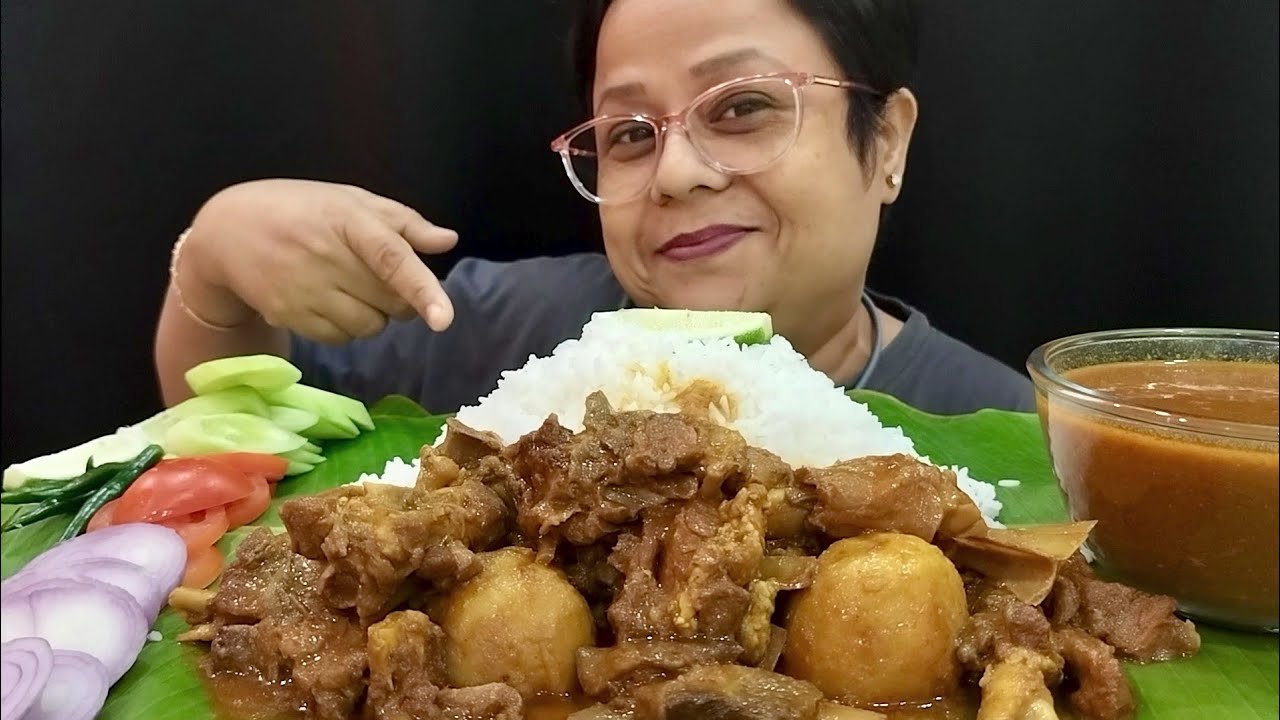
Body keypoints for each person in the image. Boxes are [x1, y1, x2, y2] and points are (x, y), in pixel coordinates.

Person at [154, 0, 1034, 416]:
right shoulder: (498, 332)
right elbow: (236, 419)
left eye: (742, 107)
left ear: (886, 144)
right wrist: (215, 257)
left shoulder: (1019, 431)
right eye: (631, 134)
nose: (677, 173)